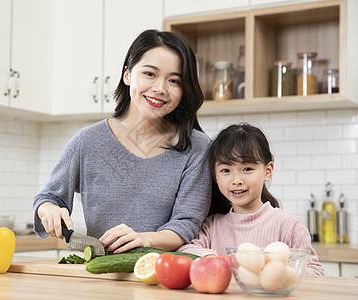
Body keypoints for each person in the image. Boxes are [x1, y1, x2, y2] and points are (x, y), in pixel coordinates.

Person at [33, 29, 211, 253]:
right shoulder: (88, 142)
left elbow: (187, 224)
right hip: (101, 273)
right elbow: (48, 197)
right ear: (127, 74)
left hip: (163, 276)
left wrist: (142, 239)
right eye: (150, 74)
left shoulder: (197, 147)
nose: (160, 88)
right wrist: (49, 210)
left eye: (174, 80)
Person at [177, 123, 324, 276]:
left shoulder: (288, 225)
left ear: (267, 171)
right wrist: (214, 259)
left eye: (247, 169)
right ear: (215, 176)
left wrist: (275, 269)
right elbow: (186, 250)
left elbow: (315, 271)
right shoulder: (212, 226)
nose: (237, 180)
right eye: (226, 170)